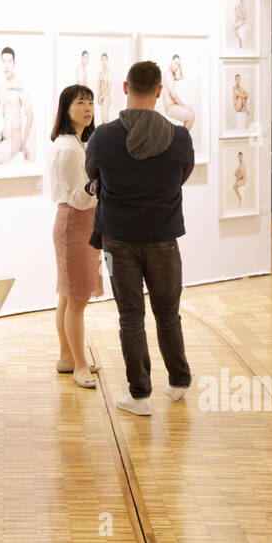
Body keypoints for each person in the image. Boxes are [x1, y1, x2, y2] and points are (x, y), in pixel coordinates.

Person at [86, 61, 195, 416]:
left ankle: (139, 395)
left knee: (130, 317)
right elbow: (182, 175)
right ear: (160, 91)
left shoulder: (103, 136)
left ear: (124, 87)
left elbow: (92, 173)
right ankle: (178, 382)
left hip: (119, 240)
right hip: (164, 238)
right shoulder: (179, 137)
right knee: (168, 314)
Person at [50, 85, 102, 389]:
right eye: (81, 102)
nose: (88, 108)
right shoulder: (69, 147)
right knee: (77, 299)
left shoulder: (73, 143)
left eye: (91, 102)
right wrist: (102, 186)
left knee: (69, 296)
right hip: (76, 222)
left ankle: (67, 357)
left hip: (76, 222)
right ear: (66, 108)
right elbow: (79, 196)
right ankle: (79, 364)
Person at [162, 54, 195, 129]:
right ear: (171, 62)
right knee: (191, 116)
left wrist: (180, 66)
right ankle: (183, 138)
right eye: (175, 63)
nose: (176, 67)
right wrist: (182, 105)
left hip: (173, 106)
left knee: (191, 112)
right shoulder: (168, 75)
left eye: (178, 65)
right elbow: (173, 95)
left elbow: (181, 77)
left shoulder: (171, 74)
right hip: (170, 108)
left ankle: (183, 137)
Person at [97, 53, 113, 123]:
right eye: (102, 60)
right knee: (103, 119)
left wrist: (102, 96)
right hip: (101, 97)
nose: (104, 62)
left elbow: (109, 87)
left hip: (106, 96)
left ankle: (109, 133)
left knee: (105, 119)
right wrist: (99, 96)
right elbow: (99, 85)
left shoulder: (109, 72)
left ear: (107, 60)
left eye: (105, 60)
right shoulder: (101, 72)